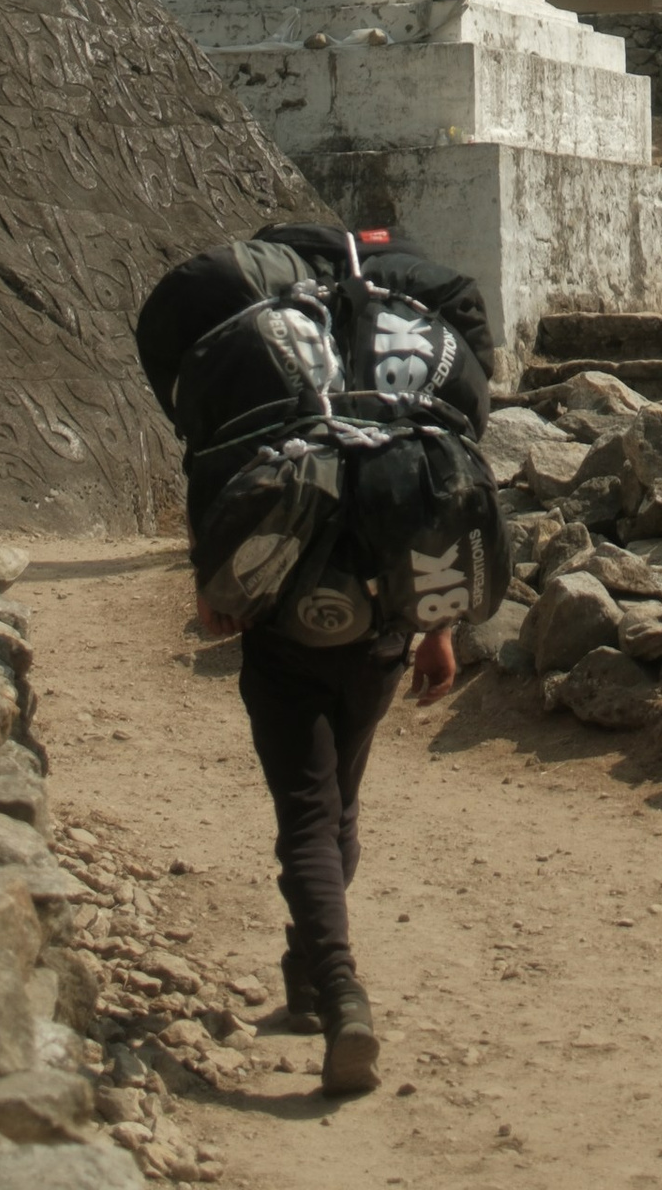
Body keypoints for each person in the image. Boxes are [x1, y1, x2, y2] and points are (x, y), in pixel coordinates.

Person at [135, 220, 499, 1099]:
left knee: (305, 805)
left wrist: (212, 584)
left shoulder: (266, 353)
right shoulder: (408, 351)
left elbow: (212, 463)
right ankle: (311, 974)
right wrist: (440, 627)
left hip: (284, 610)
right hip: (384, 615)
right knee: (341, 803)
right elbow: (447, 484)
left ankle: (335, 987)